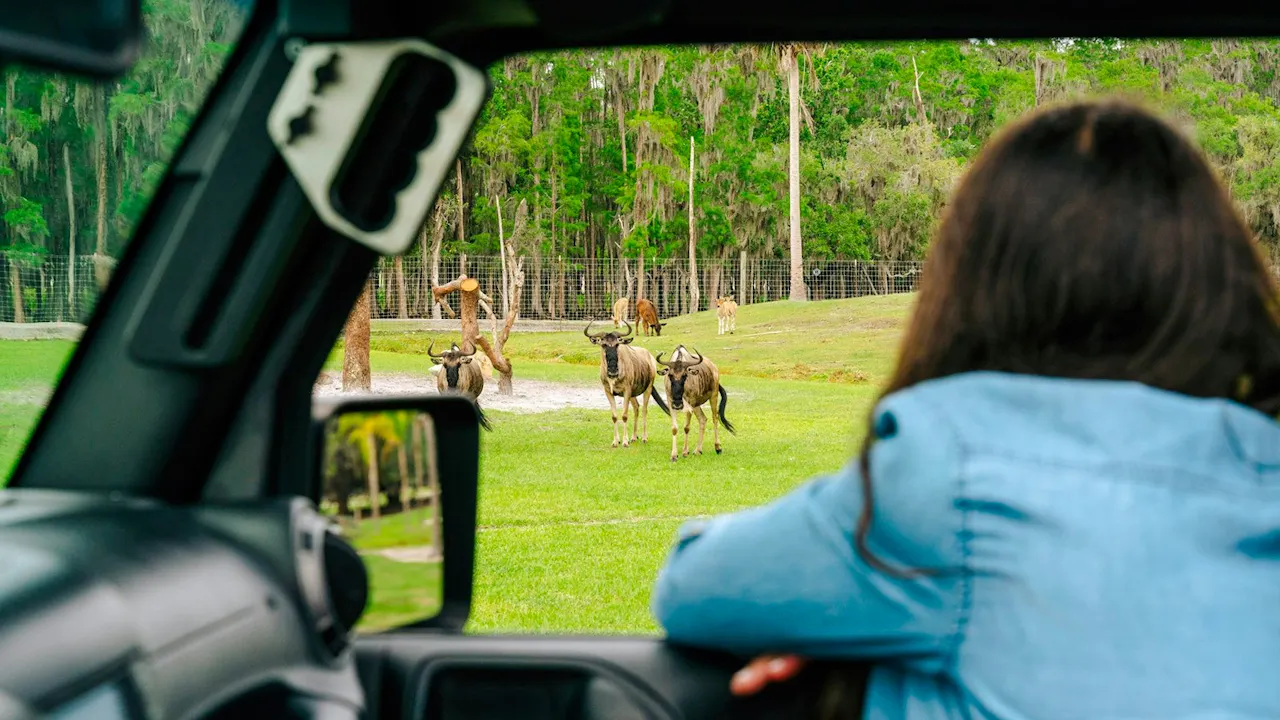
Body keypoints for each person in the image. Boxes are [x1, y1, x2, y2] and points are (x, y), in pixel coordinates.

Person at [650, 98, 1280, 719]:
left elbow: (694, 585)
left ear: (978, 282)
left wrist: (849, 647)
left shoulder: (950, 472)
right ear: (1218, 282)